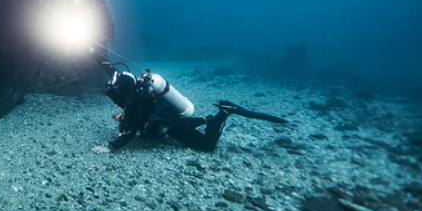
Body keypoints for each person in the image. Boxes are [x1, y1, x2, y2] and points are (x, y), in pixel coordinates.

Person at [103, 66, 287, 152]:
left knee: (206, 146)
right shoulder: (139, 92)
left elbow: (131, 131)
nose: (114, 92)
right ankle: (206, 120)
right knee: (182, 123)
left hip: (171, 125)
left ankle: (224, 112)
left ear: (125, 89)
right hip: (171, 117)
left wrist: (111, 147)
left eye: (116, 89)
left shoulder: (136, 100)